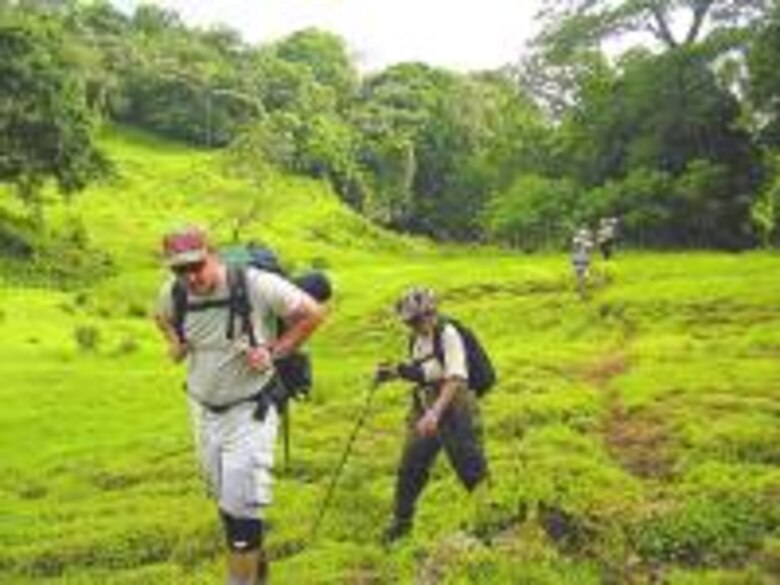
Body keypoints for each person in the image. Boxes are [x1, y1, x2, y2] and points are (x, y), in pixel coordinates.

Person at [154, 226, 325, 585]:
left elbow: (312, 313)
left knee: (243, 510)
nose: (191, 277)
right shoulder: (174, 292)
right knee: (225, 502)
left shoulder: (255, 284)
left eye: (197, 266)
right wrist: (175, 342)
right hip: (203, 412)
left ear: (213, 255)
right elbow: (161, 317)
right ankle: (256, 572)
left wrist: (274, 351)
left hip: (250, 410)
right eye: (180, 269)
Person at [375, 287, 490, 544]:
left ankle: (490, 520)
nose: (420, 324)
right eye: (413, 321)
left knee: (470, 467)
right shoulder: (416, 340)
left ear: (433, 312)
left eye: (424, 317)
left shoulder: (449, 333)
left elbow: (455, 378)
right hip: (426, 406)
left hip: (455, 407)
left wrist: (435, 414)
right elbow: (429, 372)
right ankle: (401, 524)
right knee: (411, 466)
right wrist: (395, 372)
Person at [571, 226, 593, 299]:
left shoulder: (587, 244)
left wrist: (584, 242)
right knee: (579, 279)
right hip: (577, 262)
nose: (583, 237)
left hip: (585, 263)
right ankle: (582, 294)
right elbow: (573, 253)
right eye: (582, 235)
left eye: (584, 236)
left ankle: (583, 293)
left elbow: (589, 249)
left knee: (584, 278)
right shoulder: (576, 243)